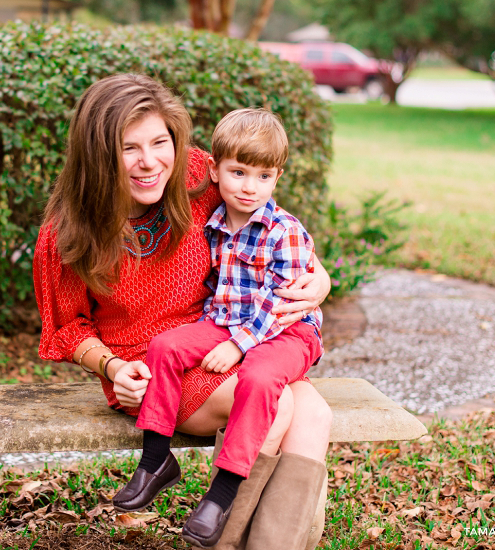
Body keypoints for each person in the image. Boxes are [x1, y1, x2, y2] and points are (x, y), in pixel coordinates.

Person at [33, 74, 332, 550]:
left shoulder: (197, 176)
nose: (149, 162)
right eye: (128, 148)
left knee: (313, 414)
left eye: (159, 142)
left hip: (227, 336)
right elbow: (69, 328)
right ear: (97, 152)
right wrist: (110, 365)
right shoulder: (67, 232)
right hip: (151, 368)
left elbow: (273, 233)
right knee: (280, 408)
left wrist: (320, 280)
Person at [113, 108, 324, 547]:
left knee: (260, 379)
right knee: (166, 346)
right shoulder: (211, 220)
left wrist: (238, 345)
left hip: (285, 329)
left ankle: (222, 493)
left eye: (263, 177)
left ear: (277, 177)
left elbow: (281, 299)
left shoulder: (282, 229)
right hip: (225, 321)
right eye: (238, 173)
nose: (250, 187)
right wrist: (224, 334)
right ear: (214, 170)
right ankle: (155, 460)